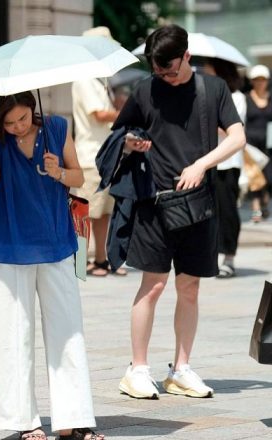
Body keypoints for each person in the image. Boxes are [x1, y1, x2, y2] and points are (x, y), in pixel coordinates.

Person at [112, 24, 245, 400]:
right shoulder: (144, 89)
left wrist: (201, 164)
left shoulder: (213, 89)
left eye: (171, 70)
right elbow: (119, 135)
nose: (166, 78)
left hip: (198, 203)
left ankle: (180, 368)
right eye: (158, 72)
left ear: (187, 56)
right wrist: (131, 144)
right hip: (154, 204)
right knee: (152, 286)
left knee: (189, 287)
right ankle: (137, 370)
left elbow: (237, 137)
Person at [0, 92, 103, 440]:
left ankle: (72, 420)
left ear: (33, 109)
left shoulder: (57, 127)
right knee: (14, 334)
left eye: (23, 118)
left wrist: (58, 171)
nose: (17, 127)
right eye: (9, 122)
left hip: (56, 239)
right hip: (7, 242)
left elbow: (79, 177)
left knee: (68, 330)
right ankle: (23, 421)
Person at [71, 27, 126, 277]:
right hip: (90, 157)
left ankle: (100, 261)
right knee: (84, 213)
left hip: (103, 156)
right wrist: (125, 111)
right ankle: (79, 263)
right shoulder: (85, 78)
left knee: (102, 213)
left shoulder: (99, 80)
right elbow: (100, 114)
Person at [199, 58, 246, 278]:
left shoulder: (237, 98)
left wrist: (210, 120)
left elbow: (233, 131)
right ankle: (214, 255)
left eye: (209, 70)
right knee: (212, 212)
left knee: (228, 211)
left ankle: (229, 256)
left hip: (229, 164)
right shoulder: (207, 96)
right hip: (209, 162)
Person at [245, 64, 272, 222]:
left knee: (267, 177)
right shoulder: (246, 98)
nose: (260, 82)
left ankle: (264, 202)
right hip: (251, 143)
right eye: (257, 80)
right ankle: (256, 209)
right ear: (252, 81)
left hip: (269, 144)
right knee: (255, 175)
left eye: (263, 79)